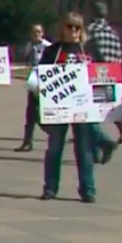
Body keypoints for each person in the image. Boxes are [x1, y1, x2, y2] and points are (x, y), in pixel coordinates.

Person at [38, 12, 105, 203]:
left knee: (84, 149)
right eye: (70, 26)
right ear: (63, 28)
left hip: (84, 107)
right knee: (54, 148)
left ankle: (88, 190)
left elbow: (103, 74)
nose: (74, 31)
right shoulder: (52, 51)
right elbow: (41, 77)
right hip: (59, 108)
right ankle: (50, 188)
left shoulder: (90, 49)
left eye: (77, 27)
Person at [87, 1, 122, 151]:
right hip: (113, 74)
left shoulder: (91, 30)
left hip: (96, 74)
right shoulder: (113, 33)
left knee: (92, 111)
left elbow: (86, 52)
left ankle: (99, 144)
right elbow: (118, 56)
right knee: (110, 107)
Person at [16, 23, 51, 152]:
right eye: (34, 32)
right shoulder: (29, 46)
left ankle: (51, 132)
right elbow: (26, 61)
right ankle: (27, 141)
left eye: (38, 31)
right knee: (31, 110)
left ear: (42, 33)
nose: (36, 34)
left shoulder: (47, 46)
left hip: (44, 80)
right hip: (33, 80)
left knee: (38, 111)